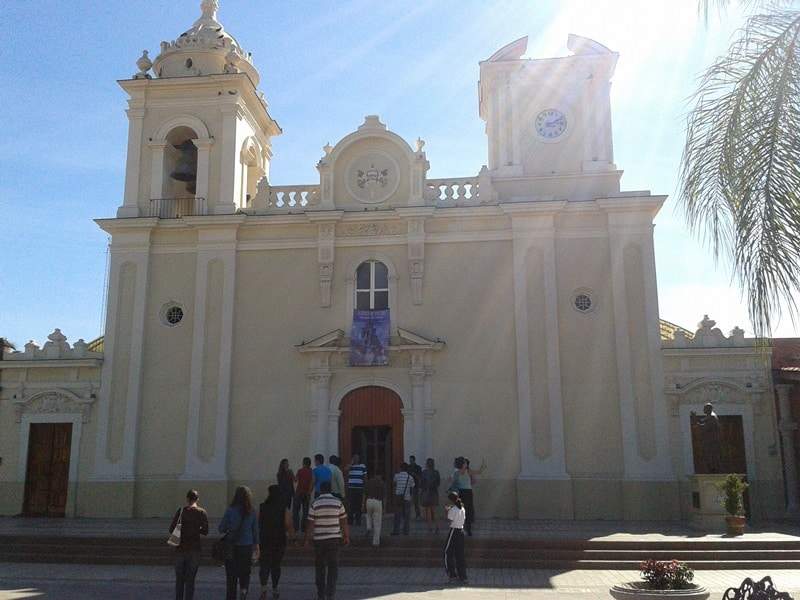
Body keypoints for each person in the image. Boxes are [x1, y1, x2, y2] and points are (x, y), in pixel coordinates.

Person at [305, 481, 350, 600]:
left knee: (320, 567)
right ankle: (330, 594)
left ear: (320, 490)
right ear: (331, 490)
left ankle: (320, 594)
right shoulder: (338, 502)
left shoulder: (315, 503)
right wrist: (346, 536)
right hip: (334, 540)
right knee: (333, 567)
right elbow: (344, 521)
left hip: (319, 540)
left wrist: (308, 538)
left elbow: (310, 523)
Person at [219, 486, 260, 600]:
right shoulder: (252, 511)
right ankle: (243, 591)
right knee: (245, 573)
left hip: (231, 547)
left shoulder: (230, 510)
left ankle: (231, 597)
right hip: (246, 547)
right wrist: (257, 547)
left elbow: (221, 528)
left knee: (231, 577)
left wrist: (230, 527)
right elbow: (255, 531)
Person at [169, 489, 209, 600]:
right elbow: (206, 531)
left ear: (187, 499)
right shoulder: (202, 512)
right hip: (195, 550)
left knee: (180, 579)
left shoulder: (181, 511)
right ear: (197, 499)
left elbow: (171, 529)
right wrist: (196, 529)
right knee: (190, 580)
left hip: (180, 549)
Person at [258, 485, 294, 600]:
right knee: (276, 565)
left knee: (264, 565)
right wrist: (292, 538)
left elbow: (257, 522)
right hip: (279, 540)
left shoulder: (262, 507)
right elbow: (288, 525)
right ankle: (275, 588)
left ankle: (263, 589)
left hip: (264, 540)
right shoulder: (284, 508)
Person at [443, 491, 468, 584]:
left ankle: (452, 575)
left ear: (451, 500)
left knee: (447, 553)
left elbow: (449, 520)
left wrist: (447, 510)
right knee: (460, 554)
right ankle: (463, 576)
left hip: (454, 531)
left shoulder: (453, 509)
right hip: (461, 531)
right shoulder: (462, 508)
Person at [451, 457, 475, 536]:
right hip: (467, 492)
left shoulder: (457, 472)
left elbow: (454, 483)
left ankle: (462, 528)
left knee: (461, 510)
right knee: (467, 510)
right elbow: (473, 481)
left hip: (462, 492)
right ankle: (467, 529)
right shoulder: (468, 471)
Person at [391, 462, 415, 536]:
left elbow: (394, 485)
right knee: (407, 516)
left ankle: (396, 531)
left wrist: (395, 494)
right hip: (407, 498)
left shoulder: (396, 476)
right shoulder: (410, 477)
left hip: (398, 497)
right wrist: (410, 496)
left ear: (400, 468)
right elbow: (412, 488)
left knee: (397, 515)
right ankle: (406, 531)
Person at [363, 472, 385, 547]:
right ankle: (376, 542)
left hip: (368, 500)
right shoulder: (382, 483)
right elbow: (384, 497)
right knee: (377, 523)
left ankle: (368, 526)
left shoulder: (368, 482)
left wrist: (363, 504)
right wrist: (384, 507)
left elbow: (364, 494)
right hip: (378, 502)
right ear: (380, 475)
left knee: (368, 515)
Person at [420, 458, 441, 534]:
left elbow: (421, 483)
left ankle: (430, 527)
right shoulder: (436, 472)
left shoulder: (424, 472)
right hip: (434, 492)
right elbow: (438, 483)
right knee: (434, 510)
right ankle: (437, 526)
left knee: (428, 510)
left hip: (426, 492)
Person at [345, 454, 367, 526]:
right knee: (351, 505)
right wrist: (351, 464)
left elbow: (365, 477)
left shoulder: (362, 466)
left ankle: (358, 521)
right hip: (351, 488)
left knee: (358, 505)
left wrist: (364, 487)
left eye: (357, 458)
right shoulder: (350, 466)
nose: (356, 459)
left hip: (359, 488)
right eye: (354, 458)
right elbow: (345, 470)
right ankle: (350, 521)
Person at [294, 457, 313, 532]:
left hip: (299, 493)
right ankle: (303, 528)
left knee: (296, 511)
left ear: (304, 463)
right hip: (306, 493)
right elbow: (312, 482)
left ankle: (296, 527)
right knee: (305, 512)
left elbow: (295, 480)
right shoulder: (311, 471)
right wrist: (309, 492)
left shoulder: (300, 471)